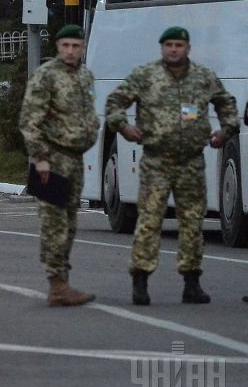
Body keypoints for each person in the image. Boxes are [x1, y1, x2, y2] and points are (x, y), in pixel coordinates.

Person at [105, 26, 239, 306]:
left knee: (192, 224)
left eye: (179, 45)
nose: (174, 50)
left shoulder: (203, 77)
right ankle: (140, 281)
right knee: (150, 221)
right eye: (169, 45)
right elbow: (114, 102)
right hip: (156, 161)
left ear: (188, 48)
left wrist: (225, 131)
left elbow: (226, 104)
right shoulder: (146, 76)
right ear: (162, 48)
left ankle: (192, 282)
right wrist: (124, 127)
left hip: (191, 162)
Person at [19, 24, 100, 306]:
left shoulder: (85, 76)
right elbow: (30, 120)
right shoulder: (46, 76)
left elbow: (88, 113)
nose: (70, 51)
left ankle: (63, 279)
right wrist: (40, 157)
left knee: (70, 222)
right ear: (57, 46)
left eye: (75, 46)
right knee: (54, 223)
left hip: (74, 159)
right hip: (52, 159)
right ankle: (57, 283)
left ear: (83, 48)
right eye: (65, 45)